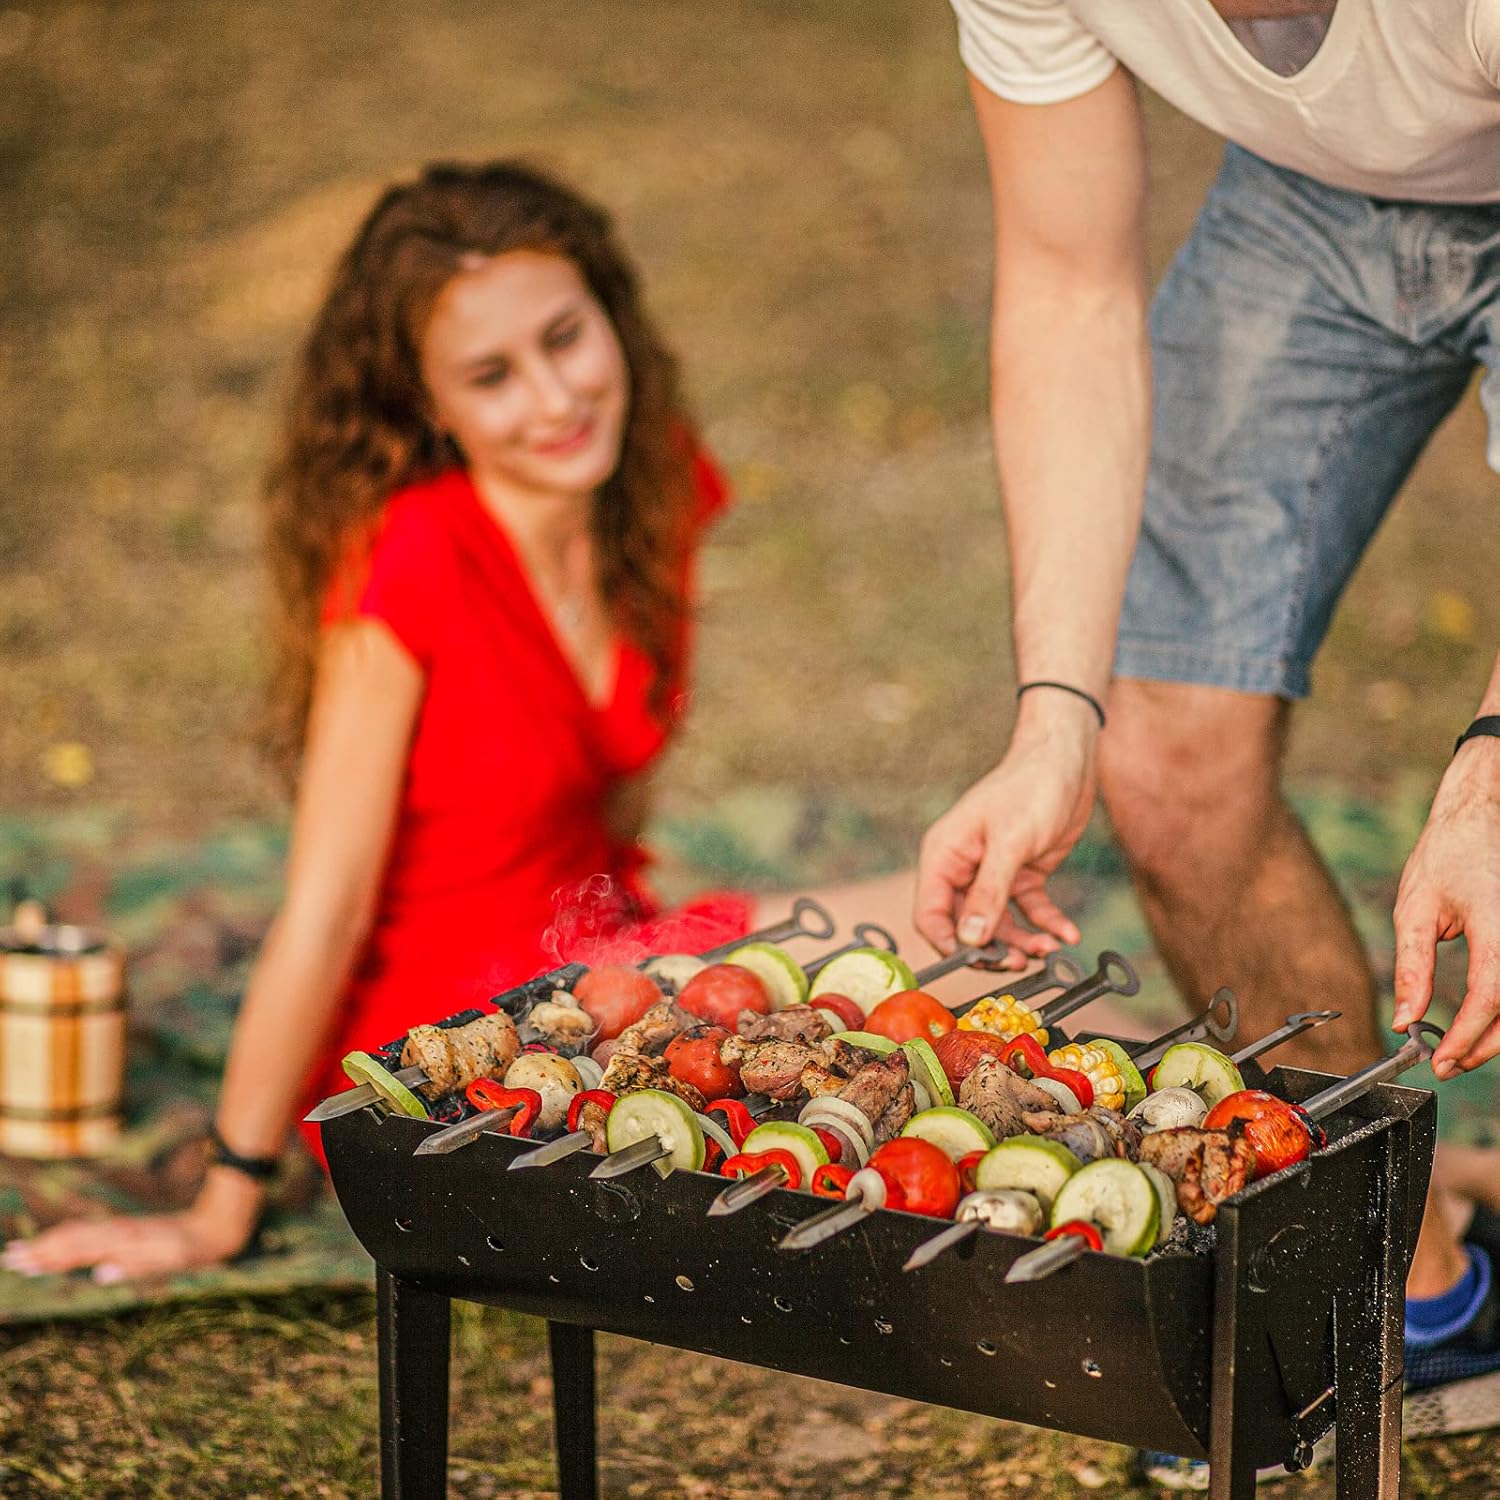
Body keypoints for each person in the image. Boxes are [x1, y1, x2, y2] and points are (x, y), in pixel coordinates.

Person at [913, 0, 1500, 1459]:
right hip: (1316, 203)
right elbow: (1066, 289)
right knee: (1159, 757)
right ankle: (1409, 1299)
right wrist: (1056, 714)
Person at [3, 160, 765, 1281]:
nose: (554, 400)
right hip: (469, 1028)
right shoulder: (408, 564)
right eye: (492, 375)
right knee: (940, 942)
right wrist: (225, 1199)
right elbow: (325, 906)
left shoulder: (648, 486)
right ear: (427, 402)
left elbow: (618, 770)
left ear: (614, 314)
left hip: (603, 948)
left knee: (957, 926)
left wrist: (630, 926)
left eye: (565, 337)